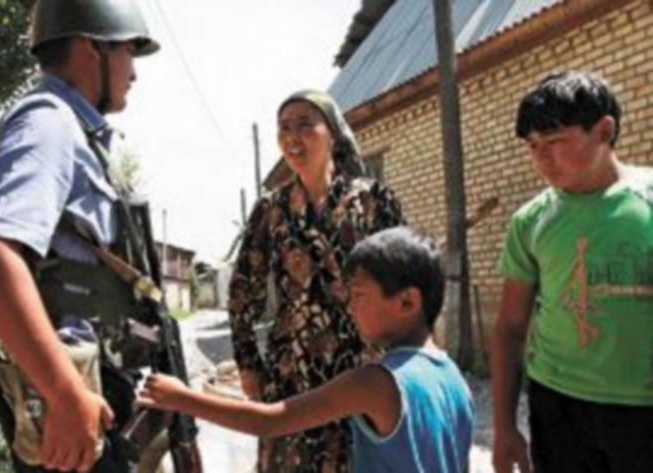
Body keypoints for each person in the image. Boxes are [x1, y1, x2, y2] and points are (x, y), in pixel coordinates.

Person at [0, 1, 162, 472]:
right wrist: (65, 392)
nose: (134, 71)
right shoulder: (48, 122)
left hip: (91, 393)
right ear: (93, 48)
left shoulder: (78, 133)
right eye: (129, 51)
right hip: (68, 406)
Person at [138, 227, 474, 473]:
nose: (350, 307)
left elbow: (273, 421)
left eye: (359, 295)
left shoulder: (378, 382)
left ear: (407, 302)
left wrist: (181, 398)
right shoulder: (454, 379)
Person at [227, 89, 404, 472]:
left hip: (361, 365)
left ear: (333, 134)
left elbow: (403, 279)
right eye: (284, 127)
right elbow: (244, 289)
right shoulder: (270, 210)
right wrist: (247, 363)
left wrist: (410, 353)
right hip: (292, 368)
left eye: (305, 125)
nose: (292, 136)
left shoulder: (374, 201)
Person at [491, 70, 653, 473]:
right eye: (532, 146)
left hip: (643, 409)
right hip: (558, 407)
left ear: (603, 131)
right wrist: (503, 427)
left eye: (556, 141)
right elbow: (511, 327)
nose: (542, 157)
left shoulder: (646, 202)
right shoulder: (532, 221)